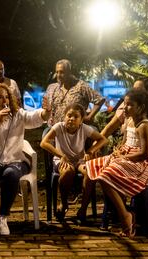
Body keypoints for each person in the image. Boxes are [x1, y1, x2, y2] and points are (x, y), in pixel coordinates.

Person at [0, 83, 49, 235]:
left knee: (11, 174)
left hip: (15, 160)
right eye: (0, 97)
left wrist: (46, 112)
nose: (4, 100)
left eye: (6, 97)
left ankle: (3, 218)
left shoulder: (18, 114)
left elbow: (35, 118)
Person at [101, 76, 148, 220]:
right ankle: (117, 209)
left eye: (139, 89)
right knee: (110, 164)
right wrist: (96, 144)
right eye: (134, 88)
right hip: (133, 149)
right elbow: (109, 128)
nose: (135, 91)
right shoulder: (127, 107)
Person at [86, 88, 148, 238]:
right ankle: (122, 211)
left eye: (130, 105)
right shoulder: (129, 120)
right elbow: (125, 142)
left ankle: (125, 216)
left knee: (105, 175)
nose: (125, 107)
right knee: (92, 167)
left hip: (141, 163)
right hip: (127, 156)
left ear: (141, 107)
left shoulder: (145, 125)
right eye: (124, 104)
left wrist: (123, 159)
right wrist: (118, 152)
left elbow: (145, 154)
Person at [41, 59, 105, 201]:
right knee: (45, 137)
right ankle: (55, 172)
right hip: (56, 126)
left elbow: (99, 100)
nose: (59, 75)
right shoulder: (52, 87)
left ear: (69, 72)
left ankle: (80, 186)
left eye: (62, 72)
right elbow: (46, 105)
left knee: (89, 142)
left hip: (77, 126)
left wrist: (89, 116)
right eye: (57, 72)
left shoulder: (81, 86)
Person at [40, 103, 107, 223]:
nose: (71, 119)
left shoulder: (84, 128)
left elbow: (102, 139)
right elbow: (44, 143)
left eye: (75, 117)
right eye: (69, 115)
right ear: (64, 117)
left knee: (91, 173)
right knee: (67, 172)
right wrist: (61, 155)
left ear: (81, 120)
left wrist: (90, 151)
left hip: (79, 161)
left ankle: (83, 208)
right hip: (62, 160)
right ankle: (64, 203)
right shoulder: (58, 127)